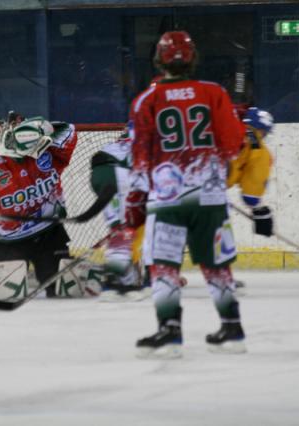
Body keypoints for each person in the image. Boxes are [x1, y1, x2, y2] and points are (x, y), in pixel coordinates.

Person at [126, 31, 247, 358]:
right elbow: (234, 146)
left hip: (167, 200)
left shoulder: (146, 100)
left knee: (163, 265)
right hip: (209, 197)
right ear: (193, 58)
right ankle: (233, 329)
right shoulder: (214, 93)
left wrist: (136, 200)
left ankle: (170, 332)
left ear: (158, 60)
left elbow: (139, 156)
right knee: (216, 265)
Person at [0, 111, 78, 297]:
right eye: (14, 126)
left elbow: (70, 131)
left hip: (49, 234)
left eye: (22, 125)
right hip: (9, 240)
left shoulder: (50, 153)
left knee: (63, 293)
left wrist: (42, 128)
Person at [89, 126, 149, 301]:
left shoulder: (123, 141)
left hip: (100, 175)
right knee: (131, 228)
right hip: (119, 174)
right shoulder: (153, 142)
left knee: (119, 228)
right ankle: (132, 279)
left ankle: (117, 281)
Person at [228, 107, 275, 238]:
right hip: (207, 195)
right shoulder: (258, 149)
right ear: (260, 130)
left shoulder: (222, 123)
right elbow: (251, 195)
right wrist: (260, 212)